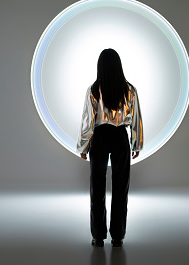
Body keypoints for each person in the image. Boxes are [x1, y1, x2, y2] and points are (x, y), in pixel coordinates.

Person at [77, 48, 143, 248]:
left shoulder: (94, 89)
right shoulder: (129, 89)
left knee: (97, 187)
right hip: (120, 137)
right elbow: (136, 118)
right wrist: (136, 142)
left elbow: (88, 120)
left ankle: (98, 236)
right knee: (120, 187)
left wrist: (84, 145)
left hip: (100, 138)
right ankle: (118, 236)